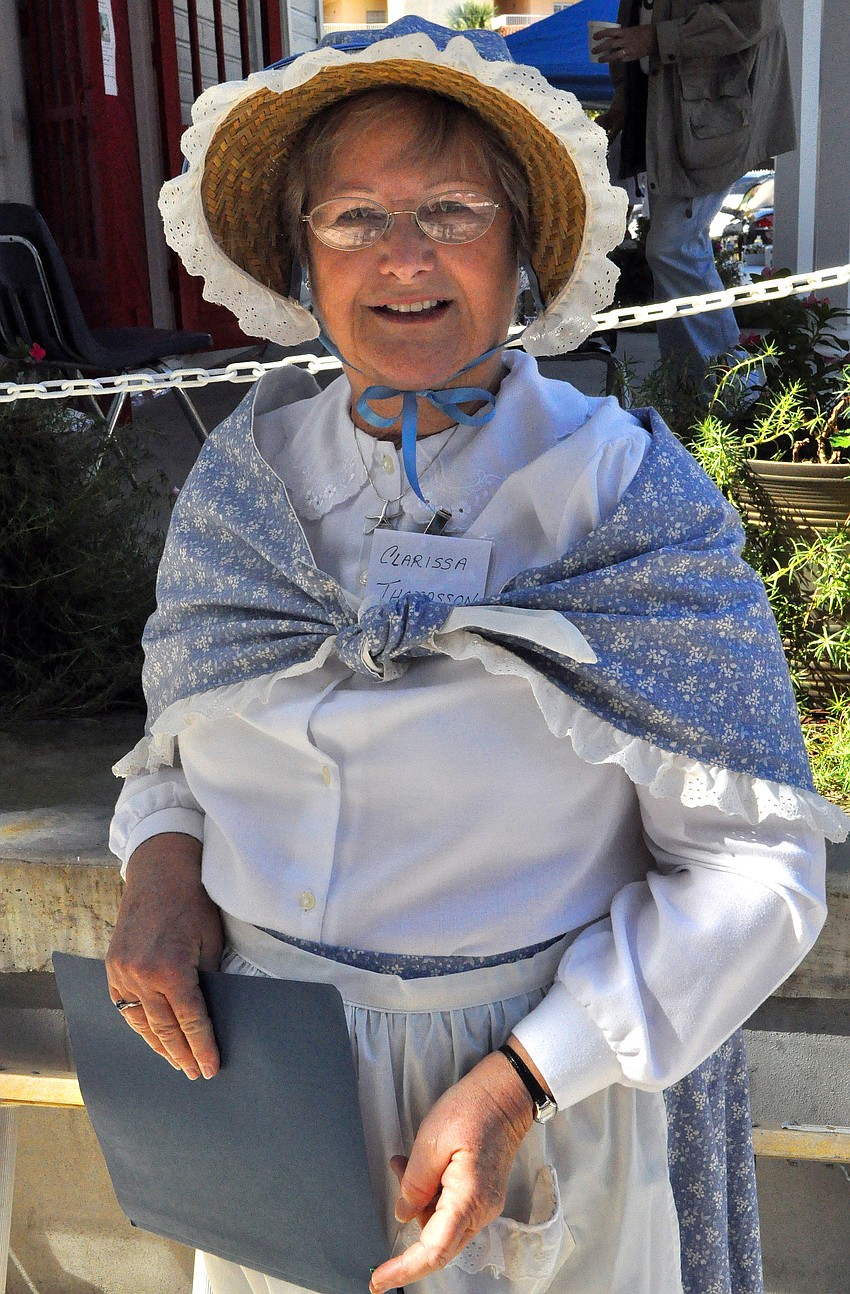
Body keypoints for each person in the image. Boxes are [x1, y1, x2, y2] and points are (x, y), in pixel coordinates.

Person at [105, 18, 847, 1294]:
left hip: (544, 1110)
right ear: (299, 256)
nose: (402, 257)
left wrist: (524, 1077)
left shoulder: (617, 499)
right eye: (351, 218)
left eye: (451, 210)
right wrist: (163, 862)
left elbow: (755, 866)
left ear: (522, 252)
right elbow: (178, 741)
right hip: (273, 1107)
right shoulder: (242, 489)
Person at [594, 0, 796, 374]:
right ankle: (694, 389)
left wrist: (655, 38)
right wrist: (625, 96)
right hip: (672, 115)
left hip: (711, 118)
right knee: (673, 252)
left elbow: (749, 19)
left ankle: (730, 388)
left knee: (674, 248)